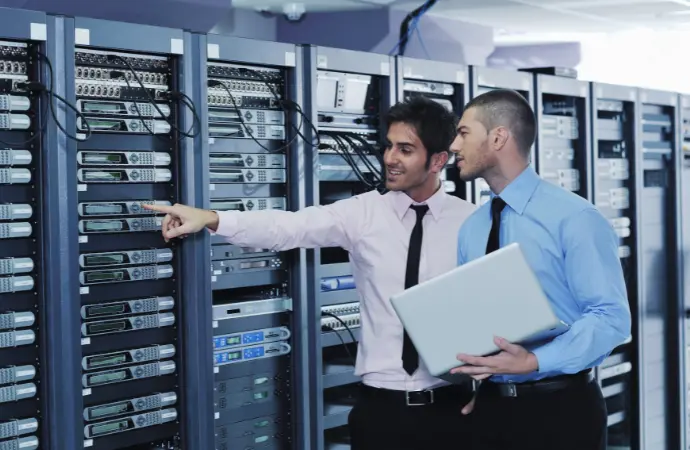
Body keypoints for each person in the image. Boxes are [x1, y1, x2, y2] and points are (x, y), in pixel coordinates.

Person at [143, 96, 477, 450]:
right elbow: (289, 227)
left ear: (438, 160)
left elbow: (488, 313)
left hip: (450, 408)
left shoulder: (471, 221)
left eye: (405, 150)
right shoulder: (363, 213)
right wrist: (212, 218)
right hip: (381, 410)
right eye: (389, 146)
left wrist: (485, 389)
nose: (390, 159)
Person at [449, 89, 631, 450]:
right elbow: (480, 320)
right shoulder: (472, 227)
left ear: (498, 137)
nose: (454, 145)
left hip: (560, 411)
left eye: (464, 133)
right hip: (490, 410)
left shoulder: (575, 218)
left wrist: (534, 360)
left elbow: (611, 319)